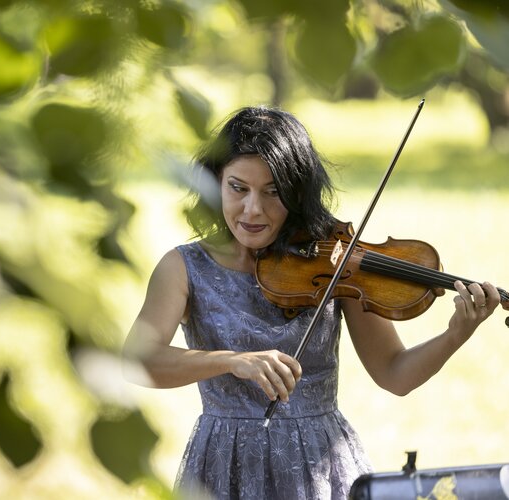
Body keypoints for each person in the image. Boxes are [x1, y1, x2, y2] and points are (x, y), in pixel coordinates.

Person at [122, 106, 507, 499]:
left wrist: (456, 333)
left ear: (298, 193)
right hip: (225, 466)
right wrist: (231, 360)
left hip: (319, 466)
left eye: (273, 192)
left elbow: (395, 374)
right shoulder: (184, 267)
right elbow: (138, 360)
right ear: (216, 182)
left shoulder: (337, 262)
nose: (253, 209)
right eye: (238, 188)